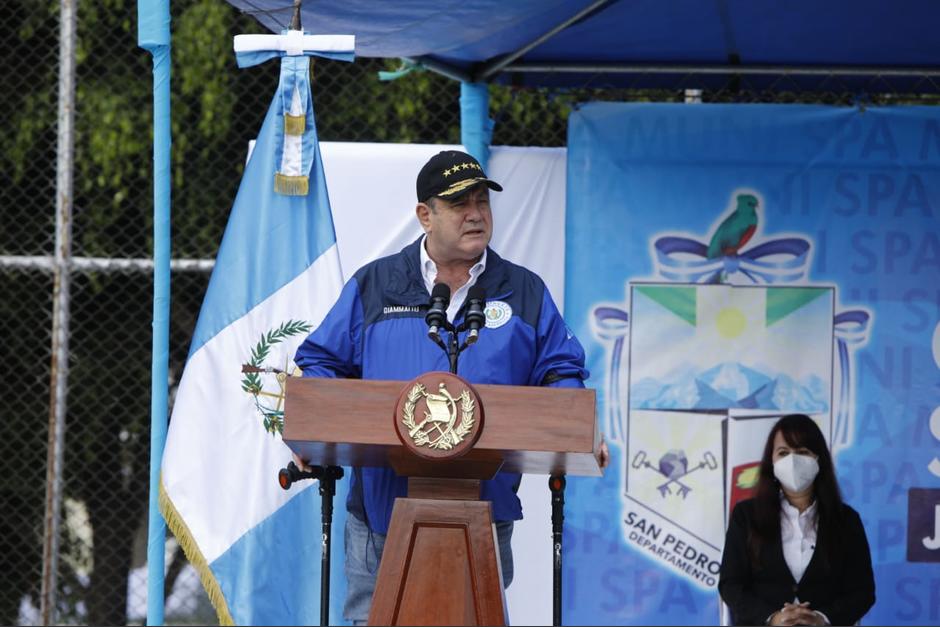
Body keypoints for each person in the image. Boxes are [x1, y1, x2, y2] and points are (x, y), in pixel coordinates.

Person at [293, 149, 600, 623]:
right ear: (425, 215)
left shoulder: (523, 291)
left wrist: (579, 427)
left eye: (482, 201)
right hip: (380, 514)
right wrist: (314, 431)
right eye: (459, 204)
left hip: (484, 511)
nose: (476, 214)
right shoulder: (375, 286)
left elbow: (561, 371)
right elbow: (320, 362)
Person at [719, 414, 876, 626]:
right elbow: (730, 585)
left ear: (818, 460)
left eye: (802, 452)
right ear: (772, 461)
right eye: (783, 453)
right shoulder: (746, 516)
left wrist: (822, 619)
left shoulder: (846, 520)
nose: (792, 461)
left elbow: (862, 592)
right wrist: (773, 618)